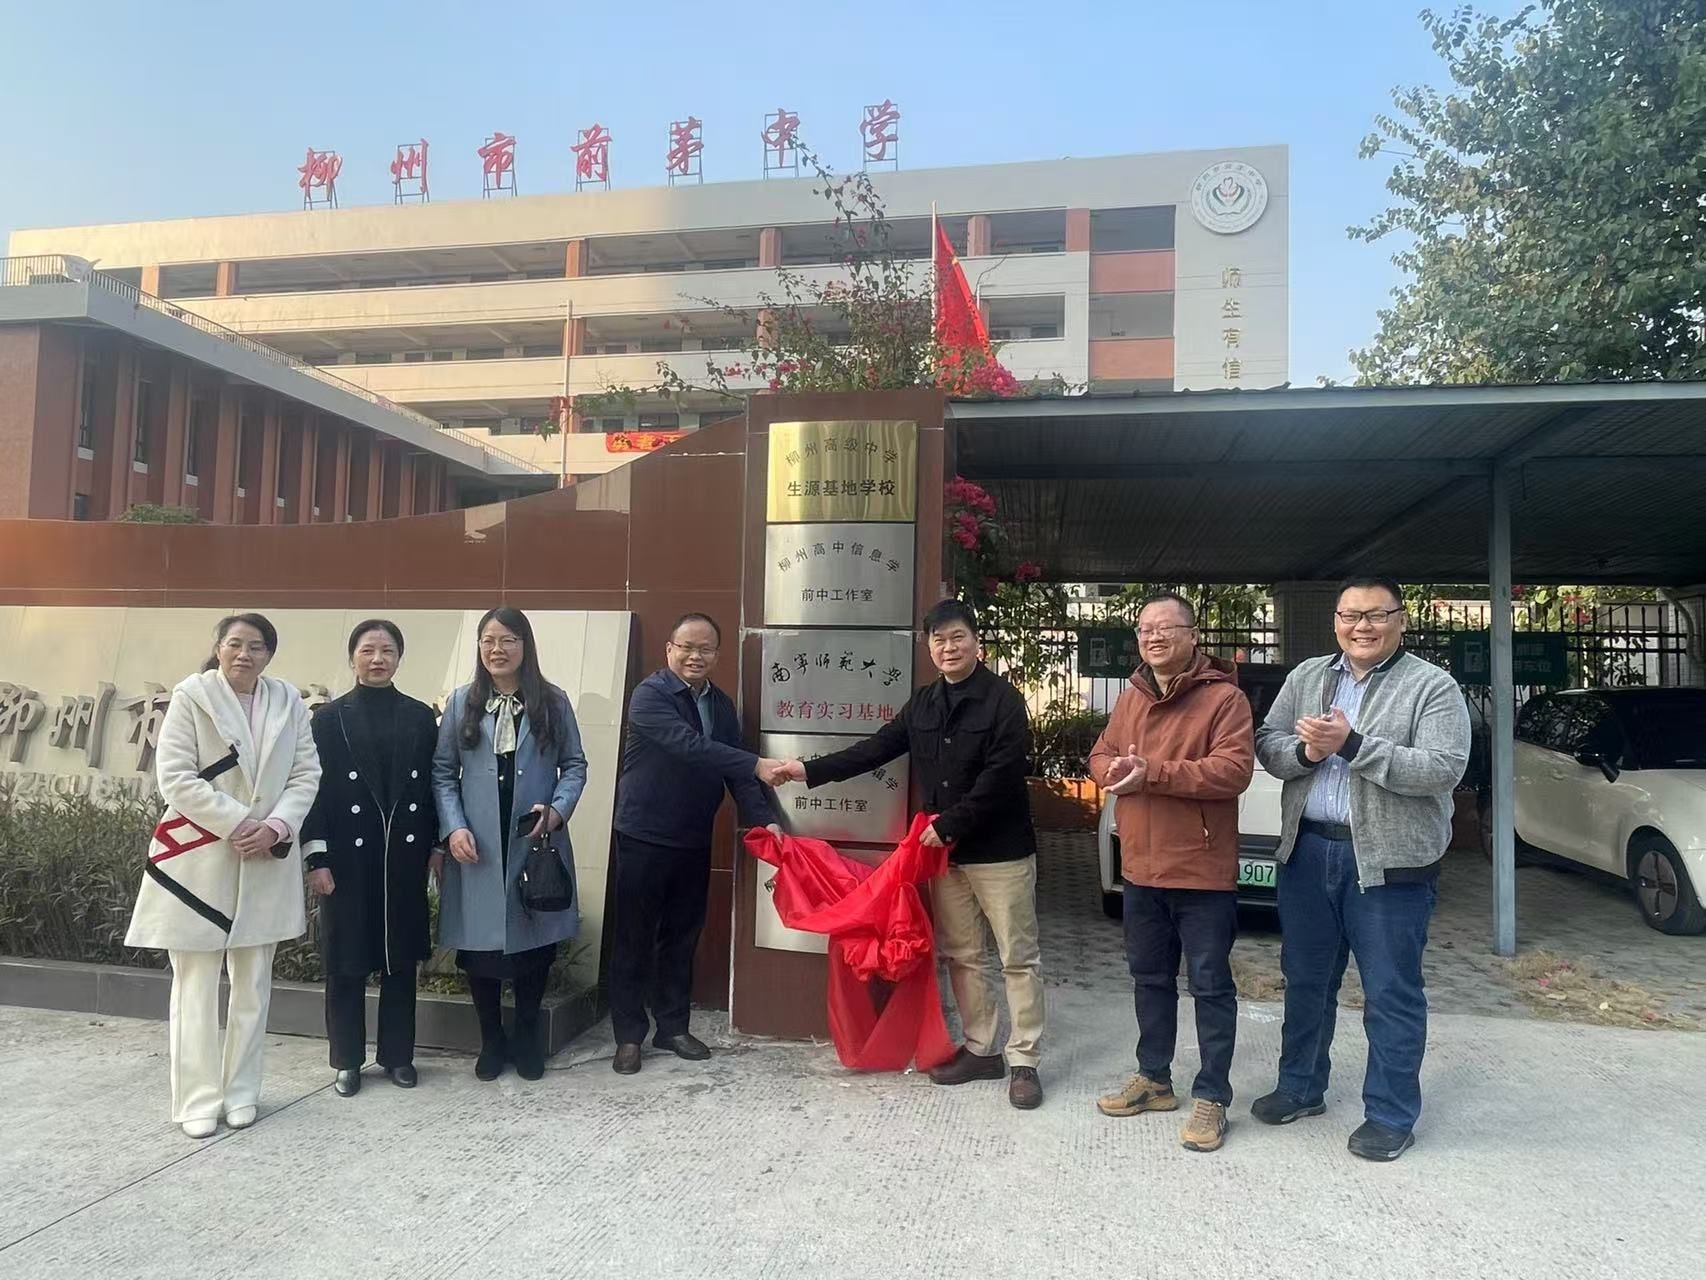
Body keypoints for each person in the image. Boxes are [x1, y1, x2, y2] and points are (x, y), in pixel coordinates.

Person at [774, 599, 1045, 1109]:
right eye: (939, 640)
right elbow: (876, 749)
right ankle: (982, 1049)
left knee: (1017, 956)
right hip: (946, 856)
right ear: (928, 648)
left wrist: (951, 824)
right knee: (963, 954)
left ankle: (1025, 1059)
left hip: (999, 852)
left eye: (958, 637)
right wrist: (806, 770)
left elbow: (1004, 774)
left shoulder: (1004, 700)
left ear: (977, 643)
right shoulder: (923, 703)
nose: (949, 647)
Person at [1252, 575, 1470, 1162]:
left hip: (1390, 863)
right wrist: (1306, 753)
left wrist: (1352, 745)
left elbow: (1443, 768)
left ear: (1401, 620)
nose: (1362, 626)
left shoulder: (1432, 686)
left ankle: (1390, 1115)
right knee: (1305, 982)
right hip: (1307, 853)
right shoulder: (1307, 677)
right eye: (1350, 615)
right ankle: (1300, 1088)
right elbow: (1268, 742)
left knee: (1390, 992)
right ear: (1336, 622)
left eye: (1376, 615)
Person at [124, 613, 322, 1139]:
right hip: (199, 860)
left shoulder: (288, 702)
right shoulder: (191, 697)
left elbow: (306, 774)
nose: (244, 654)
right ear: (218, 648)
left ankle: (241, 1092)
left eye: (256, 646)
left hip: (266, 859)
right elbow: (176, 778)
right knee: (195, 986)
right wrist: (240, 823)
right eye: (235, 643)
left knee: (253, 985)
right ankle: (196, 1099)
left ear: (269, 655)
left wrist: (277, 827)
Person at [1087, 593, 1253, 1153]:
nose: (1153, 637)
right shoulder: (1131, 696)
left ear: (1193, 635)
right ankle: (1154, 1078)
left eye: (1166, 627)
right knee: (1149, 979)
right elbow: (1100, 754)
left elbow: (1232, 771)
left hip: (1200, 869)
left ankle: (1212, 1096)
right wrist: (1113, 768)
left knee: (1210, 985)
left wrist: (1150, 772)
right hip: (1141, 866)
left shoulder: (1224, 698)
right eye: (1144, 629)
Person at [608, 613, 783, 1074]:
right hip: (643, 834)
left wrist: (764, 821)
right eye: (686, 646)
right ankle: (629, 1036)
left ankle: (672, 1027)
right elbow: (688, 745)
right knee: (634, 938)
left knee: (682, 937)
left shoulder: (720, 705)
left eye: (705, 648)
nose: (695, 656)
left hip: (692, 836)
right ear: (669, 649)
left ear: (717, 655)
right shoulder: (650, 696)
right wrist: (755, 763)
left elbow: (735, 772)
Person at [433, 607, 588, 1083]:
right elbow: (443, 772)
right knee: (479, 948)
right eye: (488, 640)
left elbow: (575, 765)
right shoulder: (462, 702)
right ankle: (491, 1041)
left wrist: (557, 810)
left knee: (533, 946)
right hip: (477, 842)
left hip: (532, 838)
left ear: (525, 645)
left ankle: (525, 1037)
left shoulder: (553, 701)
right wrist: (453, 827)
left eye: (508, 640)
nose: (496, 649)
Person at [301, 620, 439, 1097]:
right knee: (346, 961)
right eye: (368, 650)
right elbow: (312, 790)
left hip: (403, 855)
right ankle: (347, 1060)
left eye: (387, 650)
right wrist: (316, 858)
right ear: (352, 658)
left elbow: (432, 786)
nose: (377, 659)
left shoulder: (419, 717)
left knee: (400, 959)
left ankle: (398, 1056)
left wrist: (435, 846)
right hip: (346, 858)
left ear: (399, 658)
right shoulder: (328, 719)